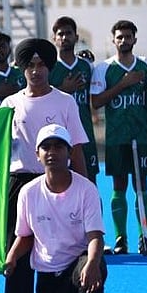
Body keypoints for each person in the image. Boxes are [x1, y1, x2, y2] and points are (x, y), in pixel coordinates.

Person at [0, 38, 89, 293]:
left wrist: (87, 191)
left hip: (59, 182)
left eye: (41, 65)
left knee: (64, 254)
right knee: (17, 255)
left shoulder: (65, 102)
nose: (36, 71)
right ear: (21, 68)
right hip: (20, 185)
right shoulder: (9, 104)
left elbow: (76, 148)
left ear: (49, 68)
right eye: (30, 65)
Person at [4, 123, 106, 293]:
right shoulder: (28, 192)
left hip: (78, 261)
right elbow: (25, 236)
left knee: (95, 272)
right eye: (46, 147)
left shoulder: (86, 189)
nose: (52, 152)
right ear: (37, 155)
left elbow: (95, 236)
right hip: (48, 271)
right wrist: (12, 257)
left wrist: (93, 262)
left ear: (69, 153)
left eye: (59, 147)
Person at [91, 20, 147, 255]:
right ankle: (120, 238)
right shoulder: (104, 69)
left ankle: (144, 236)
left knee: (141, 186)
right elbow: (96, 102)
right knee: (119, 186)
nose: (124, 40)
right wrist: (123, 84)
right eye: (120, 37)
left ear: (134, 39)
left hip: (141, 137)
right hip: (116, 138)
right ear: (113, 40)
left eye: (128, 36)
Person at [50, 17, 100, 183]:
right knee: (59, 182)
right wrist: (64, 89)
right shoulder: (49, 68)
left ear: (76, 37)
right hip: (59, 135)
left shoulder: (87, 66)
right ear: (54, 38)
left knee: (90, 183)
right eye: (60, 34)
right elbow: (41, 99)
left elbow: (95, 97)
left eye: (68, 33)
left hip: (84, 133)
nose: (64, 37)